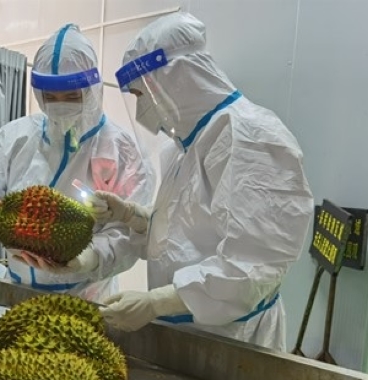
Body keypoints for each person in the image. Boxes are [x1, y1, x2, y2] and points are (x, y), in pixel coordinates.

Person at [89, 12, 314, 350]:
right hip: (187, 335)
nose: (139, 109)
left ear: (175, 78)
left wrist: (157, 302)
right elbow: (188, 234)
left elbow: (251, 267)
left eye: (139, 94)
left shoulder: (252, 139)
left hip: (232, 343)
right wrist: (134, 216)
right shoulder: (188, 147)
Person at [0, 23, 154, 302]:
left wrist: (89, 258)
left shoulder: (120, 150)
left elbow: (131, 232)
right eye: (50, 97)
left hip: (86, 298)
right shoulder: (15, 137)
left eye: (71, 95)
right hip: (16, 293)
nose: (60, 104)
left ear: (92, 90)